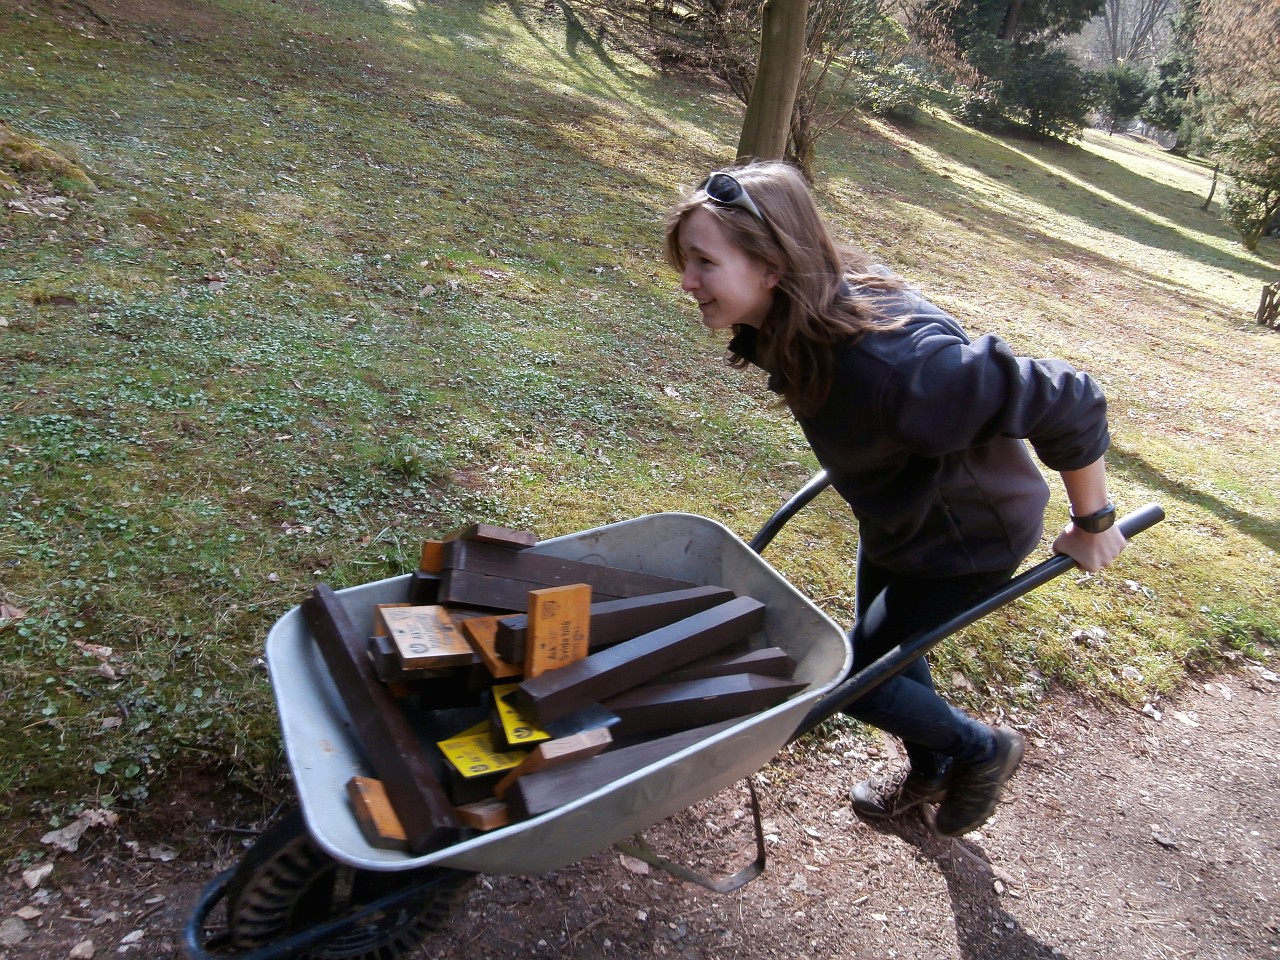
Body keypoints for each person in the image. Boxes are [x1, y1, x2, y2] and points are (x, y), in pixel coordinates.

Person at [664, 161, 1127, 837]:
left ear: (772, 265)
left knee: (854, 677)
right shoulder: (795, 314)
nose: (687, 280)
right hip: (900, 514)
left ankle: (980, 750)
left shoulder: (897, 369)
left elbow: (1070, 399)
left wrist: (1094, 521)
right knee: (893, 656)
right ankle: (933, 769)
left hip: (965, 542)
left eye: (704, 261)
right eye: (687, 260)